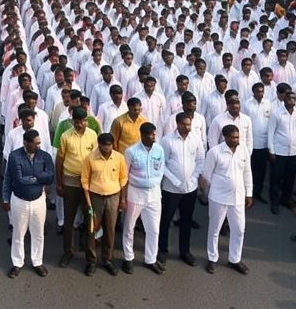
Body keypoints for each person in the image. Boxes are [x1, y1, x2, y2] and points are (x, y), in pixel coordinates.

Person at [201, 124, 253, 275]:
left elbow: (247, 173)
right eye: (234, 137)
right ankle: (212, 258)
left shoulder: (243, 150)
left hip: (238, 198)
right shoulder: (215, 152)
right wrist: (214, 189)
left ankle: (235, 259)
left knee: (239, 229)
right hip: (218, 198)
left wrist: (249, 193)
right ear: (225, 137)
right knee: (215, 229)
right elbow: (207, 175)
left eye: (238, 137)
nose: (237, 140)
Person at [2, 128, 53, 278]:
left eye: (39, 143)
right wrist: (5, 199)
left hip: (38, 200)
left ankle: (37, 262)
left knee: (38, 234)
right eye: (35, 143)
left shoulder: (45, 156)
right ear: (26, 143)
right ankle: (17, 263)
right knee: (18, 233)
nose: (38, 146)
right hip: (19, 201)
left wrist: (33, 177)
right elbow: (15, 180)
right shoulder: (14, 157)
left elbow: (50, 177)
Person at [158, 113, 204, 267]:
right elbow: (162, 164)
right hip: (171, 189)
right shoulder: (167, 141)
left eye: (189, 124)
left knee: (186, 220)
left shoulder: (196, 139)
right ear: (177, 124)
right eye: (184, 124)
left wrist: (193, 178)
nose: (187, 127)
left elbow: (200, 160)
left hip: (190, 189)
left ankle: (185, 251)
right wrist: (175, 181)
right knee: (166, 220)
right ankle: (162, 249)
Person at [121, 122, 166, 275]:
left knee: (153, 229)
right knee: (129, 227)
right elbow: (125, 176)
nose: (154, 137)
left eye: (155, 134)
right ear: (143, 135)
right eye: (151, 135)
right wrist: (123, 198)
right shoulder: (131, 152)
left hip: (153, 194)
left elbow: (161, 169)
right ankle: (128, 257)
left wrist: (153, 184)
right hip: (135, 193)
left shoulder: (159, 149)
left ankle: (151, 259)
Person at [55, 106, 97, 269]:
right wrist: (59, 183)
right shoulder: (66, 136)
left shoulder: (93, 135)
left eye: (83, 121)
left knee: (89, 220)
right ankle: (68, 252)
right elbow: (59, 161)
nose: (80, 124)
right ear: (73, 121)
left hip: (88, 184)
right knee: (69, 219)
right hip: (70, 181)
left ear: (87, 120)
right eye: (77, 121)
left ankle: (90, 257)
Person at [82, 132, 127, 276]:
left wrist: (122, 199)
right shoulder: (90, 158)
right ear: (99, 144)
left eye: (109, 145)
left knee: (110, 229)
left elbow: (123, 178)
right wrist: (88, 204)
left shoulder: (119, 157)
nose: (107, 148)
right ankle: (91, 261)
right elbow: (84, 181)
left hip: (113, 197)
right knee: (92, 229)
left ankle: (107, 259)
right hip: (95, 197)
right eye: (104, 146)